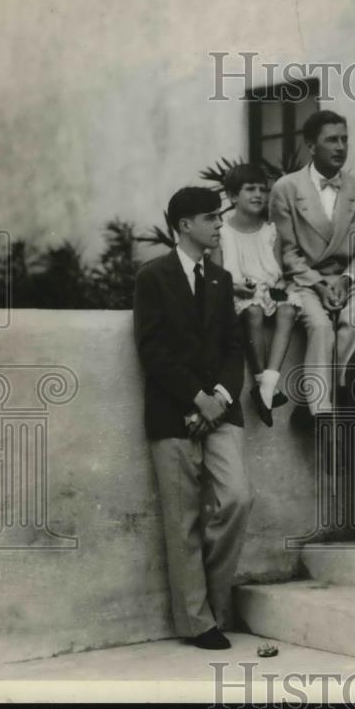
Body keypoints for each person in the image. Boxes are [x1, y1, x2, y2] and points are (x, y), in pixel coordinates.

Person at [133, 186, 253, 651]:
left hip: (220, 410)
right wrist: (195, 398)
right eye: (211, 218)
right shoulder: (154, 277)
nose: (220, 225)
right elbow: (152, 350)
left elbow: (233, 346)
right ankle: (198, 622)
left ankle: (215, 606)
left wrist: (218, 397)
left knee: (238, 497)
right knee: (181, 519)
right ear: (185, 225)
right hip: (172, 412)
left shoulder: (221, 279)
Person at [268, 110, 355, 415]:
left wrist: (346, 280)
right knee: (319, 325)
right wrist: (318, 284)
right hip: (305, 279)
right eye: (331, 140)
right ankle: (319, 409)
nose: (341, 147)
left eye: (344, 139)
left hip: (346, 278)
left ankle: (339, 388)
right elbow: (288, 252)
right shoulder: (286, 188)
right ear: (311, 146)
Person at [212, 163, 301, 426]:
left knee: (288, 308)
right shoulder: (223, 233)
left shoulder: (271, 232)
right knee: (253, 311)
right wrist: (237, 288)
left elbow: (277, 273)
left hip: (267, 292)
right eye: (250, 189)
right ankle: (263, 383)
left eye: (263, 189)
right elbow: (218, 277)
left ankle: (267, 384)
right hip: (238, 294)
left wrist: (278, 290)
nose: (258, 195)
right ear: (231, 196)